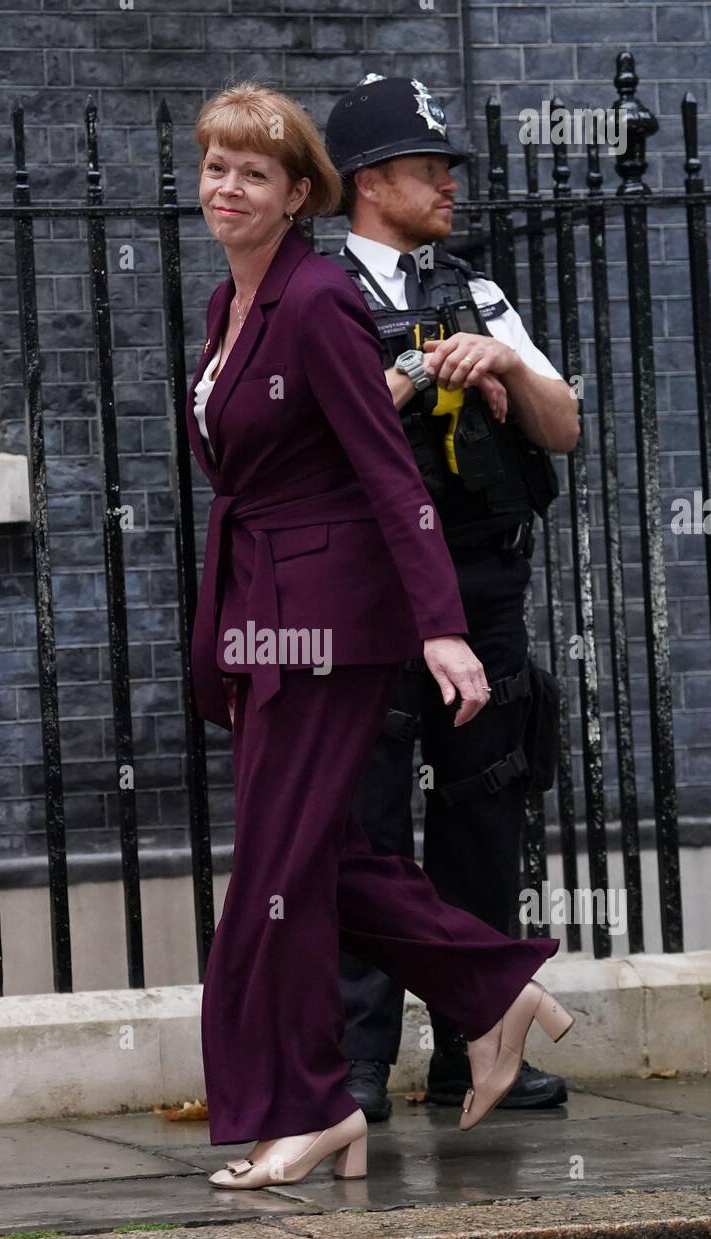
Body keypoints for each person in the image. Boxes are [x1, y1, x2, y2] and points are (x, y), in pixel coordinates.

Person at [186, 81, 574, 1192]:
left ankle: (309, 1101)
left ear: (301, 192)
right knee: (318, 853)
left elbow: (388, 475)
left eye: (253, 172)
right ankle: (493, 991)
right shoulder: (234, 311)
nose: (226, 187)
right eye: (215, 167)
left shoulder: (313, 303)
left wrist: (442, 631)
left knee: (277, 862)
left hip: (328, 619)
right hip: (263, 612)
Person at [321, 76, 580, 1122]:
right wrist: (405, 379)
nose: (449, 186)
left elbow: (563, 429)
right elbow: (294, 451)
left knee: (483, 817)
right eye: (431, 168)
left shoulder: (475, 291)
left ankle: (473, 1047)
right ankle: (353, 1064)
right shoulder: (317, 291)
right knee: (366, 826)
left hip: (482, 586)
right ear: (373, 181)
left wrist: (504, 366)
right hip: (369, 596)